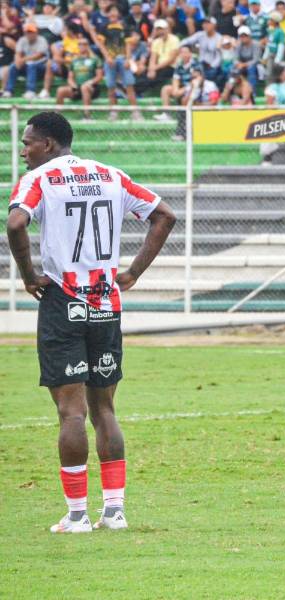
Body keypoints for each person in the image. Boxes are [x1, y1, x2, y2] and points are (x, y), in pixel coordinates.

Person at [6, 111, 176, 534]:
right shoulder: (110, 174)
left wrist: (29, 276)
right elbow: (164, 215)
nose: (23, 150)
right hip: (105, 303)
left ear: (47, 144)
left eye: (27, 142)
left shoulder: (40, 179)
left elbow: (14, 222)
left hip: (62, 302)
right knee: (104, 409)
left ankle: (78, 515)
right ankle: (115, 511)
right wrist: (133, 273)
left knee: (70, 412)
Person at [55, 42, 101, 117]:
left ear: (88, 46)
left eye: (84, 44)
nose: (82, 46)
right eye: (80, 44)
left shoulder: (95, 59)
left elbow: (99, 76)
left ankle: (87, 116)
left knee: (84, 87)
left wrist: (90, 82)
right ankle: (57, 116)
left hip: (92, 88)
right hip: (77, 87)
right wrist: (73, 85)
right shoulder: (74, 60)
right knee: (60, 90)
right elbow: (70, 78)